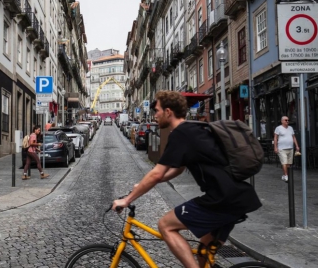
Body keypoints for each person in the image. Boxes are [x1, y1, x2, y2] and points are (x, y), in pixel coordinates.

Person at [112, 91, 261, 268]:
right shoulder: (193, 129)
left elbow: (157, 173)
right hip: (236, 197)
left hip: (221, 199)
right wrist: (144, 185)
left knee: (165, 225)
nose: (155, 115)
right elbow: (178, 169)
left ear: (168, 112)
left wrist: (127, 199)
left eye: (157, 111)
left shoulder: (181, 134)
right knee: (203, 252)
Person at [273, 116, 299, 183]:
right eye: (286, 120)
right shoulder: (278, 128)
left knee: (289, 163)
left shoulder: (290, 128)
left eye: (288, 120)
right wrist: (275, 147)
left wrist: (297, 146)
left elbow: (294, 137)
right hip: (282, 148)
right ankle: (286, 175)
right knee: (284, 162)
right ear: (282, 121)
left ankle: (285, 174)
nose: (287, 121)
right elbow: (275, 138)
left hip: (290, 148)